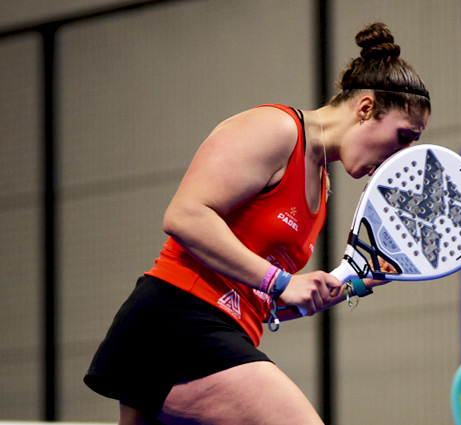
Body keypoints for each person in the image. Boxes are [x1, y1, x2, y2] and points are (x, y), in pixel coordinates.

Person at [84, 22, 430, 425]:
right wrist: (283, 281)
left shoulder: (321, 185)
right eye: (403, 136)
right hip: (177, 322)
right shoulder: (276, 129)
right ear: (366, 108)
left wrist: (353, 283)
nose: (397, 157)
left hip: (223, 329)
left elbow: (266, 302)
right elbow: (185, 215)